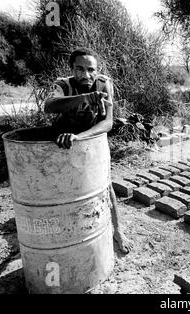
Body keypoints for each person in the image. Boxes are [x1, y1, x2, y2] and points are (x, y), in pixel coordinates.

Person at [44, 47, 132, 254]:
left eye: (90, 69)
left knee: (105, 185)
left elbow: (108, 123)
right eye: (79, 69)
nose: (86, 75)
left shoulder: (104, 83)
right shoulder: (63, 85)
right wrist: (83, 98)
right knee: (66, 186)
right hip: (64, 140)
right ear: (71, 69)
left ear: (97, 69)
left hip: (92, 138)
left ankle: (118, 231)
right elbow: (50, 106)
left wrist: (80, 137)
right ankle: (69, 228)